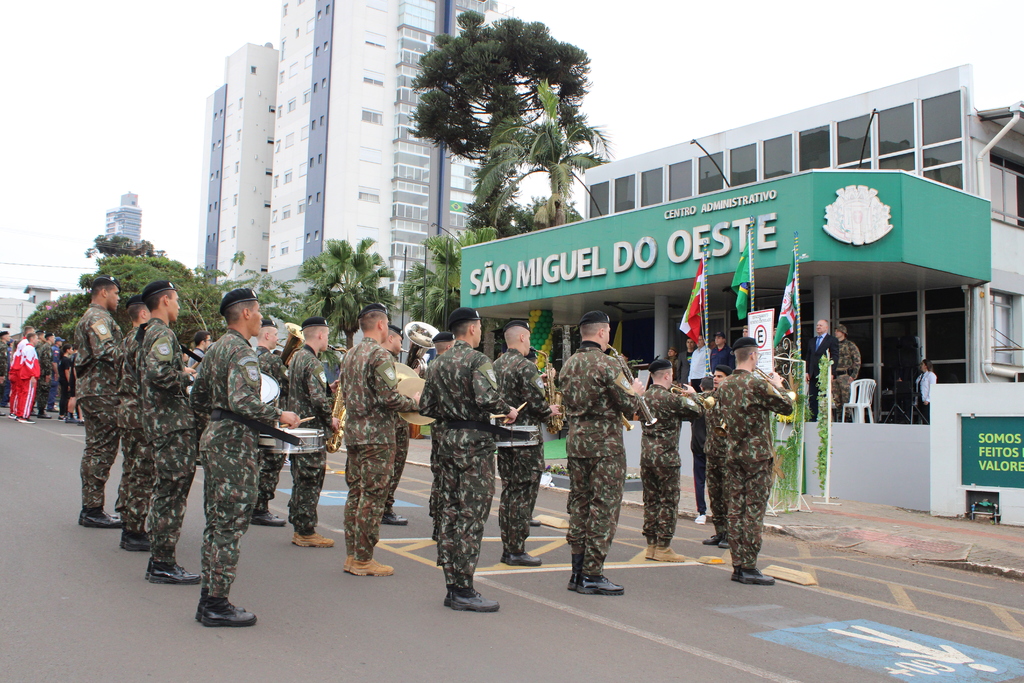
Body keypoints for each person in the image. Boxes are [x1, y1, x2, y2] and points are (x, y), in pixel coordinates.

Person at [190, 288, 300, 627]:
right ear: (247, 313)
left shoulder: (215, 349)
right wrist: (280, 415)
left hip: (217, 439)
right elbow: (242, 402)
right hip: (234, 446)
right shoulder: (241, 352)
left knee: (217, 523)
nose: (260, 316)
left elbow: (198, 398)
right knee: (229, 525)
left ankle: (210, 598)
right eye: (257, 310)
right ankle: (216, 604)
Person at [419, 308, 517, 612]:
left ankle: (452, 585)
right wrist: (508, 409)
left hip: (447, 443)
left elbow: (425, 406)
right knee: (471, 515)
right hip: (475, 446)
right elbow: (487, 398)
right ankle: (464, 588)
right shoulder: (478, 360)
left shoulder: (437, 363)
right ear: (473, 328)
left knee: (449, 512)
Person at [560, 310, 643, 596]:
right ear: (602, 333)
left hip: (576, 442)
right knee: (604, 507)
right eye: (608, 332)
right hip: (604, 445)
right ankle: (592, 573)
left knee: (580, 505)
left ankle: (576, 571)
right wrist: (635, 390)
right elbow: (626, 404)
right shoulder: (607, 364)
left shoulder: (568, 364)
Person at [340, 307, 419, 575]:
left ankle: (352, 555)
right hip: (377, 436)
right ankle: (364, 559)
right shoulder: (380, 355)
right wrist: (414, 403)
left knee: (356, 493)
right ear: (382, 325)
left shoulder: (350, 354)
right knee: (373, 497)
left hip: (354, 434)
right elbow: (389, 398)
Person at [715, 337, 794, 585]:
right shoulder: (756, 384)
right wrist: (778, 384)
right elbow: (787, 406)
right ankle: (749, 566)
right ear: (752, 356)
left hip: (734, 453)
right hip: (757, 456)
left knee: (735, 510)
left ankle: (738, 564)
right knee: (753, 512)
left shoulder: (725, 386)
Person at [138, 280, 201, 585]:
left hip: (161, 421)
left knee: (167, 490)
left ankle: (160, 558)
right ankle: (162, 562)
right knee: (172, 492)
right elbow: (159, 373)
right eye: (175, 300)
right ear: (164, 300)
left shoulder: (146, 332)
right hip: (171, 423)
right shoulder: (162, 333)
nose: (178, 306)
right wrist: (187, 378)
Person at [493, 320, 560, 567]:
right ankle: (516, 549)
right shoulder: (525, 366)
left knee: (509, 492)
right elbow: (537, 404)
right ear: (522, 338)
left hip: (503, 437)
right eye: (529, 338)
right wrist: (549, 409)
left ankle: (507, 545)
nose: (530, 343)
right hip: (527, 440)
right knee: (524, 495)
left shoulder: (495, 364)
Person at [640, 359, 702, 562]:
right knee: (668, 501)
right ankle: (663, 546)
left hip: (647, 456)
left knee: (651, 500)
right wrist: (693, 395)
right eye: (671, 375)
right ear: (667, 376)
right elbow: (698, 410)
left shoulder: (644, 396)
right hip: (667, 457)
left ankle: (651, 545)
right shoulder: (670, 398)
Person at [286, 317, 340, 548]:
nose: (327, 339)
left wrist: (329, 389)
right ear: (319, 335)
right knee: (310, 480)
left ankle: (299, 525)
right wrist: (332, 420)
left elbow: (306, 391)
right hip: (312, 431)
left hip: (298, 429)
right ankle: (306, 531)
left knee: (300, 478)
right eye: (327, 335)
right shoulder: (313, 362)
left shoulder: (298, 357)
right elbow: (317, 400)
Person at [74, 276, 124, 528]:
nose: (118, 298)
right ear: (103, 293)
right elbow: (107, 351)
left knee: (95, 449)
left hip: (94, 389)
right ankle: (92, 510)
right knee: (101, 450)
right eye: (115, 293)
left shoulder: (93, 317)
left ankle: (91, 507)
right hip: (102, 390)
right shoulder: (98, 318)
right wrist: (136, 351)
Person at [115, 294, 155, 552]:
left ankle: (128, 518)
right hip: (139, 412)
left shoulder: (126, 339)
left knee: (131, 469)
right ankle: (135, 530)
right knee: (142, 472)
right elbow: (148, 378)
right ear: (143, 314)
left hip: (127, 409)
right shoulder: (142, 339)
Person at [251, 319, 289, 527]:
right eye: (275, 335)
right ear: (266, 336)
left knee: (255, 463)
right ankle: (261, 508)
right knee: (271, 464)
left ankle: (251, 505)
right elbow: (287, 384)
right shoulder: (273, 361)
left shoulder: (249, 356)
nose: (277, 339)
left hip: (252, 419)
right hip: (269, 419)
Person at [381, 323, 412, 526]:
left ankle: (383, 506)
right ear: (391, 338)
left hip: (390, 424)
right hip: (393, 423)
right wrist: (414, 403)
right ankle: (385, 508)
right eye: (401, 340)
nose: (402, 345)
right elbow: (391, 397)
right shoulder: (384, 360)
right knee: (392, 467)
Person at [426, 330, 455, 542]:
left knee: (439, 476)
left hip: (437, 428)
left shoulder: (432, 368)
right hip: (451, 430)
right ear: (448, 347)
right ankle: (446, 524)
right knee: (450, 479)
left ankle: (437, 523)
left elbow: (426, 406)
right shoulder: (451, 366)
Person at [701, 365, 732, 548]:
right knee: (715, 495)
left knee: (728, 495)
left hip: (727, 453)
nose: (716, 379)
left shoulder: (732, 398)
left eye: (720, 376)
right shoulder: (710, 397)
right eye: (714, 376)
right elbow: (696, 398)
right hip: (712, 452)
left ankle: (730, 533)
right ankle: (720, 531)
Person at [804, 319, 839, 422]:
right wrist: (807, 371)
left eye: (821, 325)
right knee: (812, 397)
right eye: (817, 325)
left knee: (823, 397)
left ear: (826, 327)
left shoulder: (832, 340)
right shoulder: (812, 341)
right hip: (813, 373)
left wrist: (831, 372)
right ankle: (813, 418)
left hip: (824, 374)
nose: (818, 327)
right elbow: (808, 357)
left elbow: (835, 356)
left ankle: (823, 419)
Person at [9, 330, 40, 424]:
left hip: (23, 375)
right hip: (28, 375)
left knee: (22, 395)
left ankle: (19, 413)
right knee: (27, 395)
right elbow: (30, 363)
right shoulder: (30, 349)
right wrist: (33, 375)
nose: (38, 340)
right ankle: (24, 415)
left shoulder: (25, 348)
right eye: (36, 338)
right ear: (32, 339)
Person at [833, 324, 861, 419]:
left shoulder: (850, 345)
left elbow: (857, 361)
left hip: (845, 375)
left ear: (843, 333)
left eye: (838, 331)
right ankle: (839, 419)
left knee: (846, 399)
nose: (836, 332)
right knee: (836, 400)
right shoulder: (833, 345)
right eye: (835, 330)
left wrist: (853, 375)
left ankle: (847, 419)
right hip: (834, 376)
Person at [916, 359, 937, 424]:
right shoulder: (920, 376)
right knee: (922, 417)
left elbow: (932, 388)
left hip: (926, 400)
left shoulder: (931, 375)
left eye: (922, 364)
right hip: (920, 399)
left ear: (926, 366)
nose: (920, 366)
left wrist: (928, 399)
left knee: (926, 417)